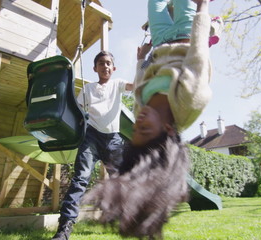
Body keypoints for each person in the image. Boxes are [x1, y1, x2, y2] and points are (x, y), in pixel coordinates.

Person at [82, 0, 216, 239]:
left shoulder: (143, 108)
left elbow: (140, 83)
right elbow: (198, 53)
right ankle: (211, 25)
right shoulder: (189, 101)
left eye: (135, 132)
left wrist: (141, 58)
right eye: (144, 131)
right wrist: (202, 8)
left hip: (161, 39)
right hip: (187, 33)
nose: (138, 123)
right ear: (167, 130)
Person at [51, 51, 133, 240]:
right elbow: (78, 112)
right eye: (101, 63)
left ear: (113, 68)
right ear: (94, 68)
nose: (105, 66)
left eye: (108, 63)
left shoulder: (117, 84)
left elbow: (135, 86)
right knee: (80, 179)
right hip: (91, 138)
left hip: (113, 140)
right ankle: (64, 229)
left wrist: (142, 60)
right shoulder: (87, 89)